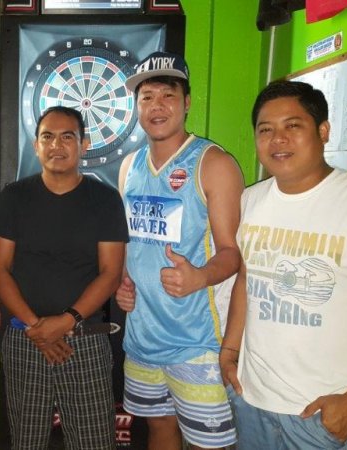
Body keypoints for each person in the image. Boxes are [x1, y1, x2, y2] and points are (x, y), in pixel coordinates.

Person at [220, 80, 347, 448]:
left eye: (292, 125)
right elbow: (247, 279)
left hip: (321, 414)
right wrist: (230, 351)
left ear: (323, 130)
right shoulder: (251, 200)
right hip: (251, 400)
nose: (278, 139)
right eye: (265, 130)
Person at [114, 51, 244, 449]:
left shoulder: (214, 163)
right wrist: (123, 281)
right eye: (147, 97)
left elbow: (232, 253)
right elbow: (132, 242)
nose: (157, 106)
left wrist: (199, 277)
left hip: (197, 343)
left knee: (209, 445)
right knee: (159, 430)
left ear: (187, 102)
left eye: (167, 95)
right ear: (137, 106)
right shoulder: (129, 166)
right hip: (141, 338)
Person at [0, 106, 129, 449]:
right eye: (47, 137)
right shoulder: (15, 197)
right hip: (26, 337)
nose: (56, 145)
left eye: (67, 137)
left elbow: (110, 273)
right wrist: (38, 328)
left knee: (94, 442)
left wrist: (65, 322)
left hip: (84, 338)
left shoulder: (104, 199)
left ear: (83, 144)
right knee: (27, 441)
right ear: (36, 145)